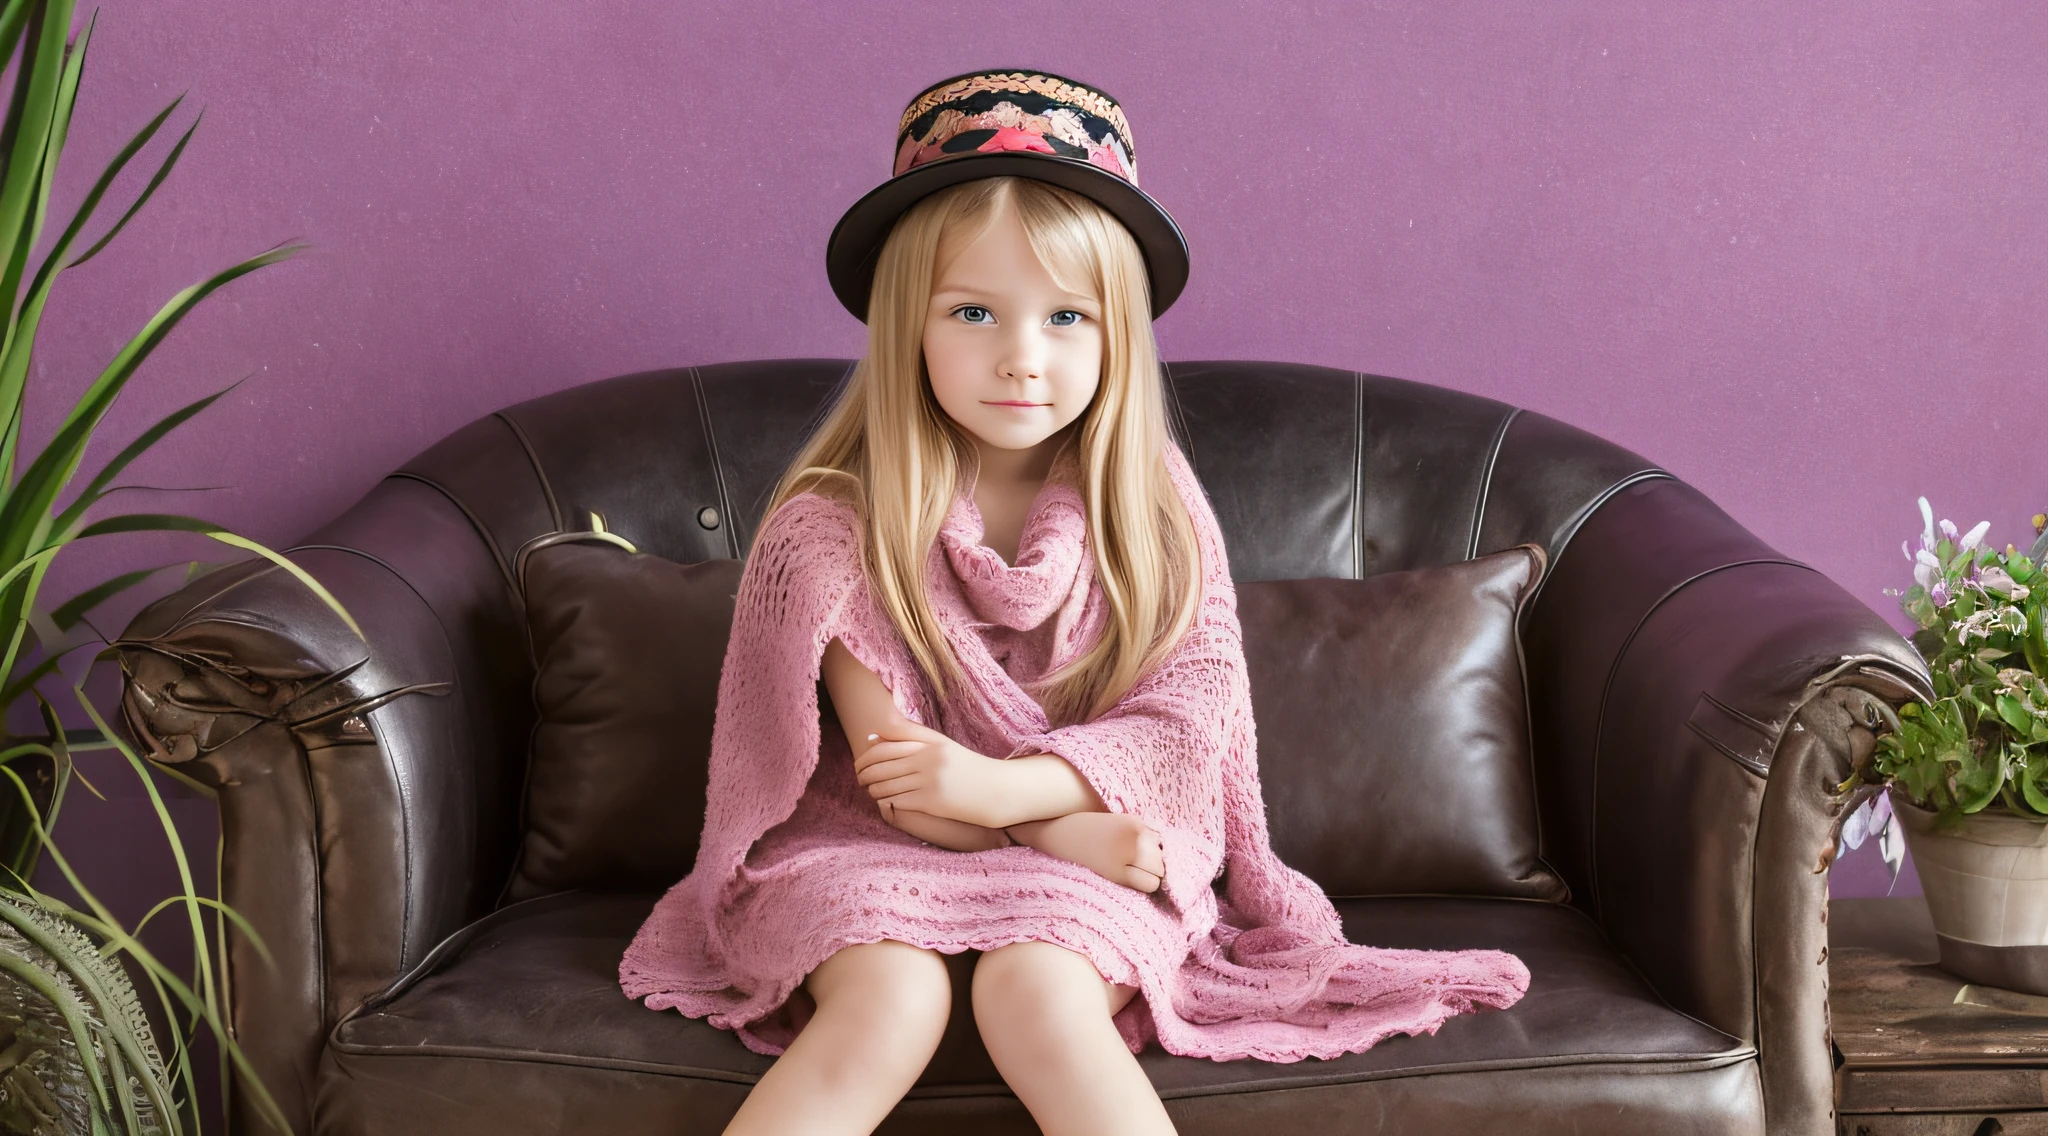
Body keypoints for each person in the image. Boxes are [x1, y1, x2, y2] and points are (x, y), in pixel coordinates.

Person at [619, 69, 1529, 1136]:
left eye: (1065, 316)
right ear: (908, 324)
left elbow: (1186, 725)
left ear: (1116, 335)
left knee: (1038, 988)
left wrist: (1017, 802)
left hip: (1094, 849)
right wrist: (1062, 828)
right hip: (866, 844)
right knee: (886, 999)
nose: (1022, 357)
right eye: (972, 311)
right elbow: (907, 784)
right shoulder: (830, 525)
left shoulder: (1150, 507)